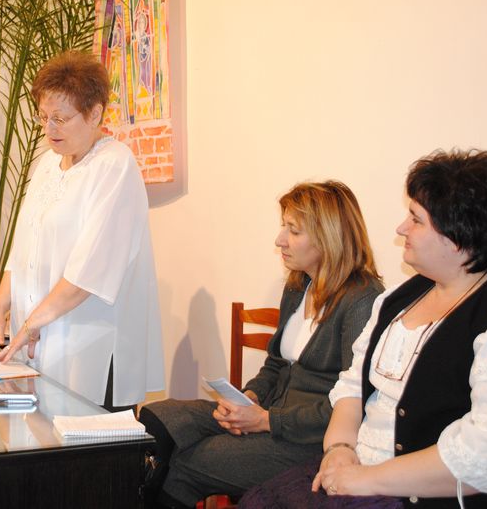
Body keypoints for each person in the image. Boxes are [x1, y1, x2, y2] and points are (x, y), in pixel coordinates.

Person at [239, 150, 487, 509]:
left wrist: (366, 479)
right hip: (357, 474)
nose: (401, 229)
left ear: (459, 237)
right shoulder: (401, 297)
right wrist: (339, 449)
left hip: (417, 495)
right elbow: (352, 386)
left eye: (416, 220)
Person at [139, 181, 384, 508]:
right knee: (158, 417)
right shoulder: (298, 286)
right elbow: (275, 363)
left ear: (329, 237)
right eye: (284, 227)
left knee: (186, 464)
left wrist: (265, 420)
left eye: (293, 230)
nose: (280, 239)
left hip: (308, 441)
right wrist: (248, 398)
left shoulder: (362, 300)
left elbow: (352, 402)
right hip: (270, 415)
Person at [0, 50, 164, 412]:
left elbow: (89, 271)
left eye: (60, 118)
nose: (49, 129)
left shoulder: (114, 166)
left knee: (85, 438)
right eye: (44, 117)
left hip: (91, 344)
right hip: (40, 339)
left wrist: (31, 323)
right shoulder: (45, 165)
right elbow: (23, 248)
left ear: (95, 114)